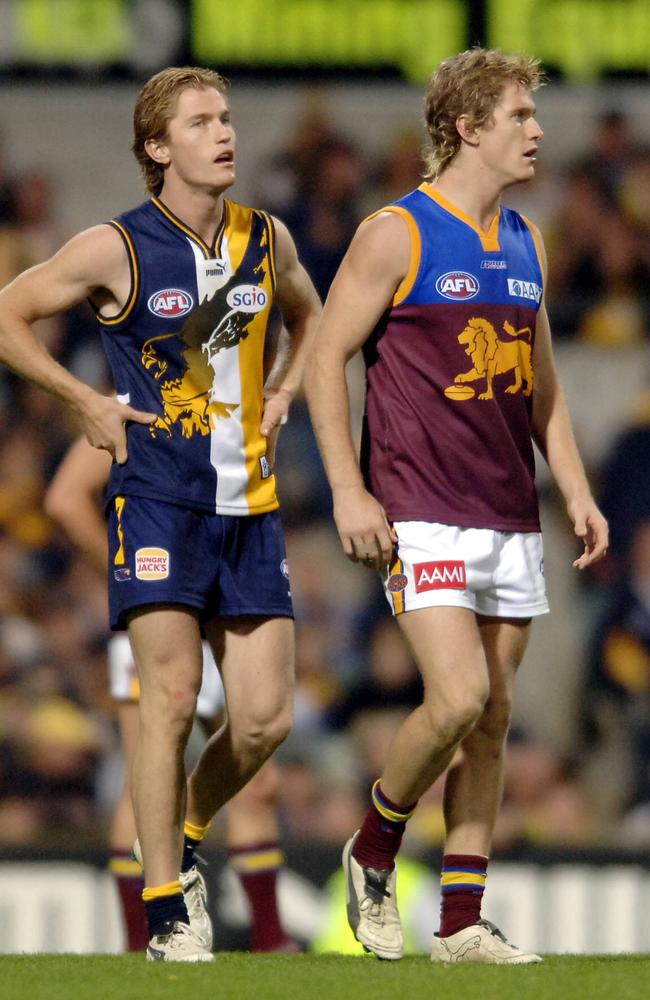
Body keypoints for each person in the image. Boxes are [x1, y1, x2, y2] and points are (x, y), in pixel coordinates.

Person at [0, 66, 321, 961]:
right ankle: (168, 911)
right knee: (170, 700)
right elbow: (6, 314)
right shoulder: (119, 247)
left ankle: (179, 825)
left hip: (249, 507)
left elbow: (312, 314)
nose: (224, 133)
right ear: (156, 146)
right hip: (157, 505)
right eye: (200, 122)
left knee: (263, 721)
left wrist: (289, 385)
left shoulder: (267, 238)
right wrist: (81, 400)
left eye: (226, 117)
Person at [304, 48, 608, 965]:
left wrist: (578, 488)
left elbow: (541, 386)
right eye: (518, 114)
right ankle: (375, 847)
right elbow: (325, 360)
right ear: (468, 127)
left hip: (509, 508)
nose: (536, 130)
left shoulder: (527, 239)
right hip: (419, 502)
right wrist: (350, 490)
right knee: (458, 695)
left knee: (493, 715)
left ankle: (460, 922)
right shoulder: (395, 231)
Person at [44, 437, 298, 954]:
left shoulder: (227, 405)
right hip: (161, 601)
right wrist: (129, 578)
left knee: (257, 767)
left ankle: (271, 938)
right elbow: (65, 498)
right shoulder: (146, 404)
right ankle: (144, 940)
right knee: (146, 768)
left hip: (218, 596)